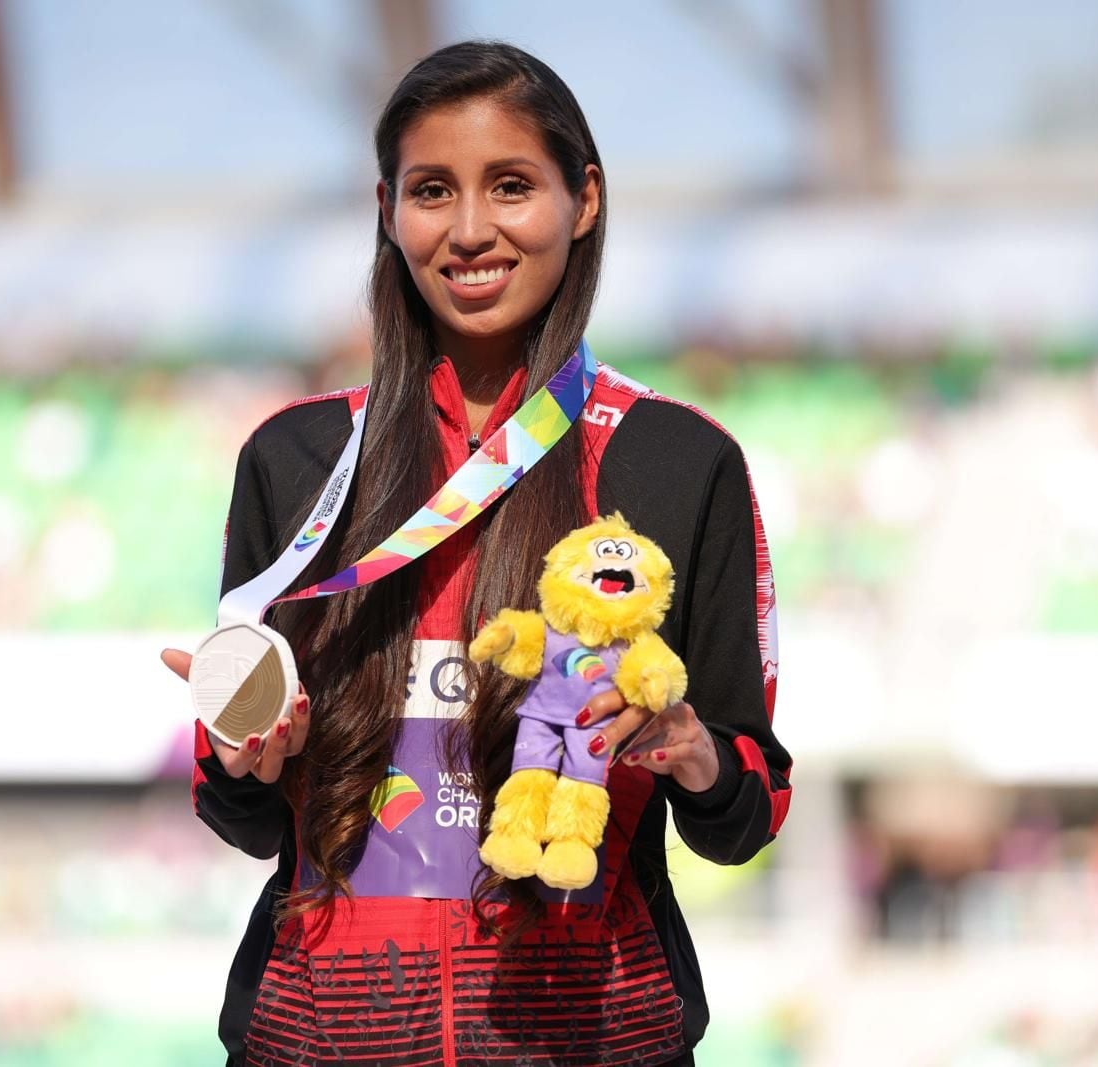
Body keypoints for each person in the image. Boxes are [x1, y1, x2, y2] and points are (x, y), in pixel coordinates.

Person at [160, 39, 792, 1067]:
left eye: (510, 186)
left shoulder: (679, 461)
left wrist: (690, 747)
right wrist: (246, 754)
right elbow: (246, 816)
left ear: (584, 199)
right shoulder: (298, 459)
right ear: (386, 208)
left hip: (591, 1039)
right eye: (431, 190)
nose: (467, 231)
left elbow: (746, 811)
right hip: (321, 1036)